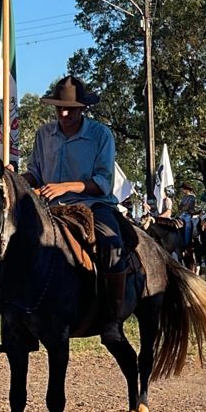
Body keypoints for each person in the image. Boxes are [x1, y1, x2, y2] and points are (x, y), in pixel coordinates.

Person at [23, 75, 131, 315]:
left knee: (112, 245)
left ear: (83, 108)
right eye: (60, 108)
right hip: (47, 207)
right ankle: (16, 320)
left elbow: (104, 181)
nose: (63, 114)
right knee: (13, 242)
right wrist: (16, 180)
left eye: (70, 110)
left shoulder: (100, 135)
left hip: (93, 206)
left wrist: (65, 187)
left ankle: (112, 317)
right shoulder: (43, 134)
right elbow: (35, 173)